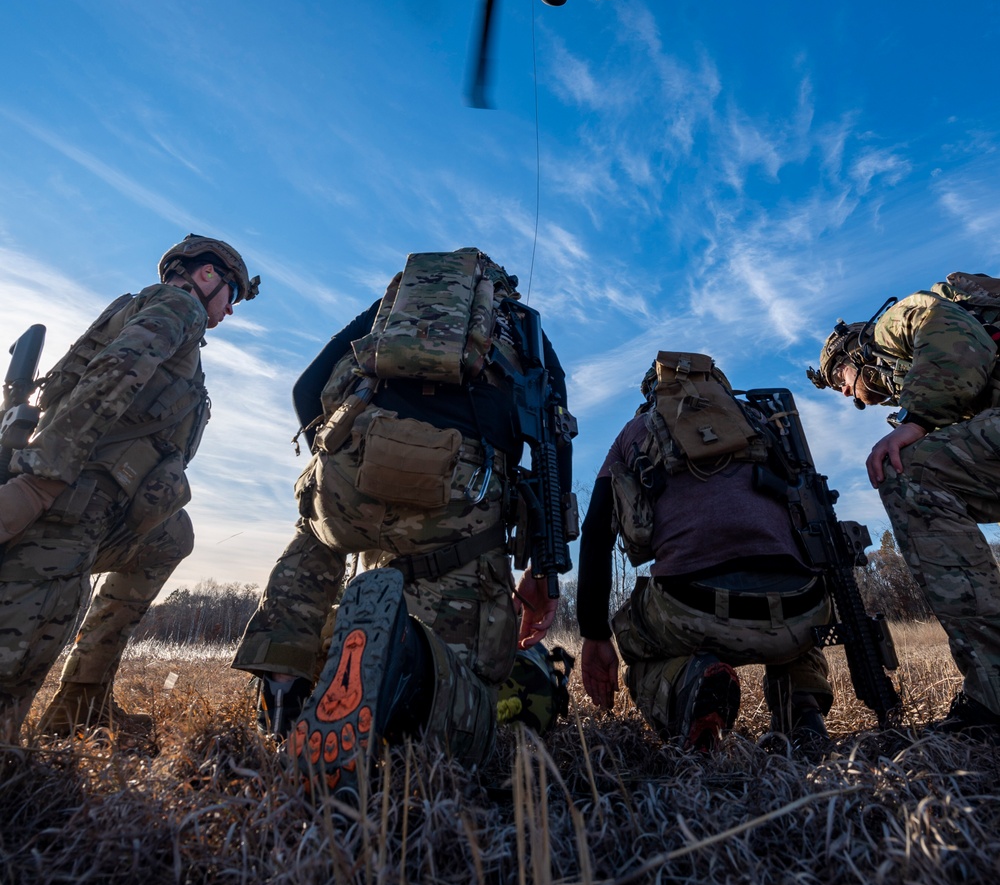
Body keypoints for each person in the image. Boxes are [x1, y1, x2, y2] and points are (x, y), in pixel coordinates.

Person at [232, 247, 575, 791]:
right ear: (498, 287)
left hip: (351, 464)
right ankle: (407, 662)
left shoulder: (392, 310)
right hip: (460, 492)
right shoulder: (521, 326)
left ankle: (284, 680)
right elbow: (554, 439)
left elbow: (306, 388)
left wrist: (337, 458)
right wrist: (545, 570)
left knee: (315, 535)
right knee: (476, 698)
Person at [0, 234, 259, 741]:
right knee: (23, 647)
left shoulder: (150, 311)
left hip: (105, 509)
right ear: (208, 276)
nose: (229, 312)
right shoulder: (177, 305)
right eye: (233, 295)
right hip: (70, 501)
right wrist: (38, 482)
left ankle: (82, 699)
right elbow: (117, 370)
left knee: (172, 537)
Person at [579, 351, 833, 751]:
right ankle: (804, 711)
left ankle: (691, 691)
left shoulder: (633, 432)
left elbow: (595, 533)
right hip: (801, 607)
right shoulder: (765, 423)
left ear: (653, 391)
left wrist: (594, 632)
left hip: (693, 608)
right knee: (793, 593)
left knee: (631, 635)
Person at [809, 276, 1000, 734]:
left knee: (906, 469)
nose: (844, 393)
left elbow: (954, 332)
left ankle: (994, 689)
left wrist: (917, 421)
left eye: (839, 378)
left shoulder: (887, 329)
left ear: (853, 355)